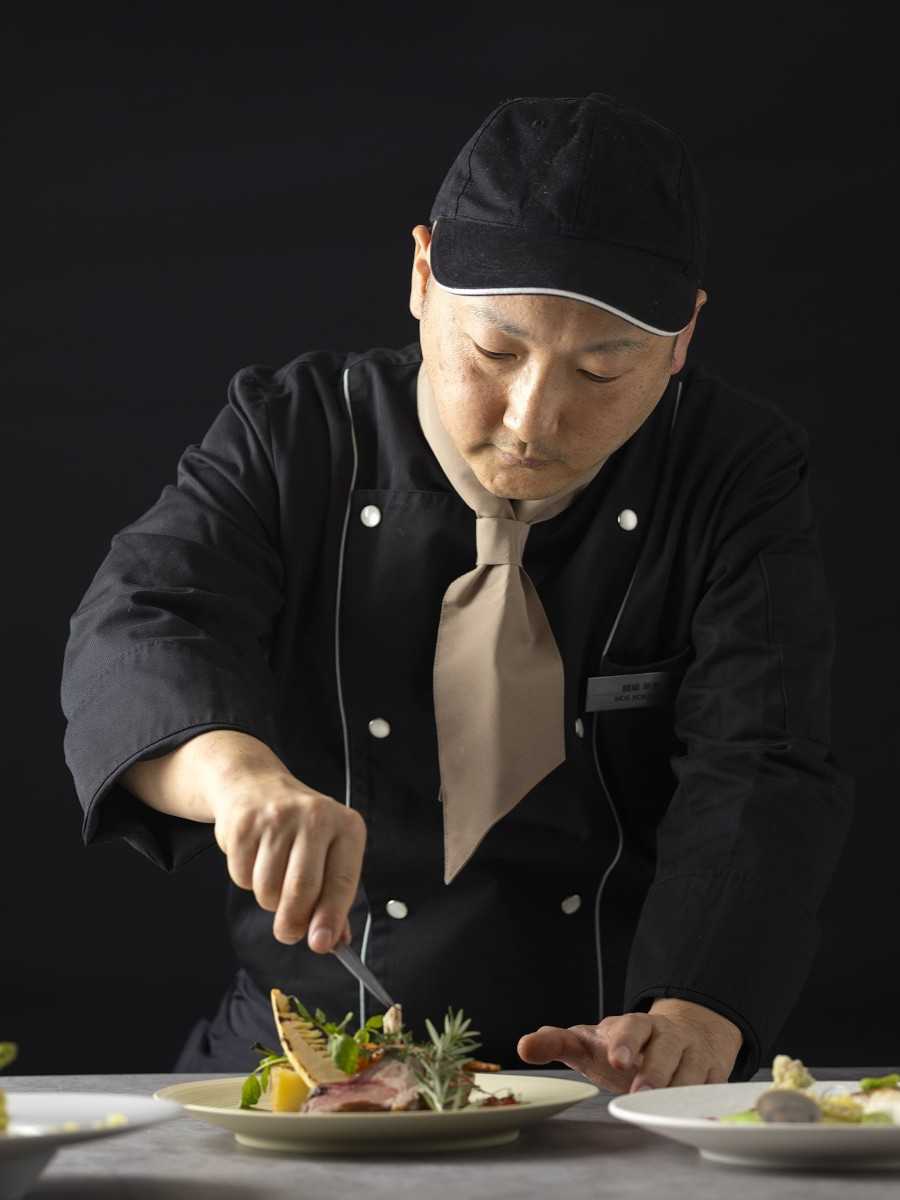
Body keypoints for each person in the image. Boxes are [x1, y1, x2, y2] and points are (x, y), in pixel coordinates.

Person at [61, 92, 853, 1093]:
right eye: (497, 353)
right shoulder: (295, 434)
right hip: (304, 1062)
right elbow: (142, 621)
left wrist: (697, 1012)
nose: (533, 418)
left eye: (600, 372)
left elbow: (761, 759)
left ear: (683, 339)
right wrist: (237, 777)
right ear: (422, 275)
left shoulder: (730, 471)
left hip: (621, 1068)